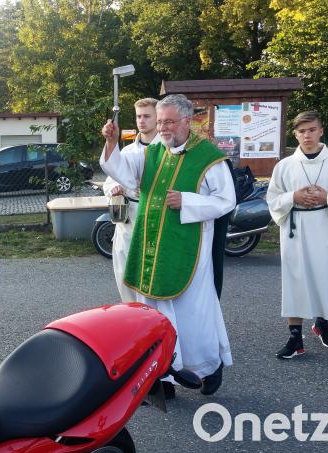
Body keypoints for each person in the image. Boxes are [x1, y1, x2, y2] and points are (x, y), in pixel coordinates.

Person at [100, 94, 236, 397]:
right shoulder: (152, 152)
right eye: (160, 121)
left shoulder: (208, 157)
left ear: (187, 121)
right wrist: (111, 144)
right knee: (153, 314)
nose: (162, 128)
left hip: (188, 251)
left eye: (168, 122)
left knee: (192, 315)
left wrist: (188, 201)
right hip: (150, 248)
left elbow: (226, 201)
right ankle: (163, 376)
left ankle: (208, 368)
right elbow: (122, 172)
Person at [266, 111, 328, 359]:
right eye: (301, 131)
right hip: (296, 228)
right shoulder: (285, 166)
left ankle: (321, 324)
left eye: (311, 130)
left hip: (326, 226)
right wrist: (293, 197)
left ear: (321, 130)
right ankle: (295, 338)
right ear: (295, 134)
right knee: (295, 281)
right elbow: (273, 197)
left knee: (324, 277)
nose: (307, 135)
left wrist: (327, 198)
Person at [102, 97, 159, 303]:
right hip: (127, 220)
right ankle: (131, 316)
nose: (141, 121)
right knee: (124, 271)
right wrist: (113, 189)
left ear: (157, 117)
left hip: (154, 218)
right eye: (138, 116)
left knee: (150, 275)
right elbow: (108, 181)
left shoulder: (167, 150)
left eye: (147, 116)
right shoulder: (126, 151)